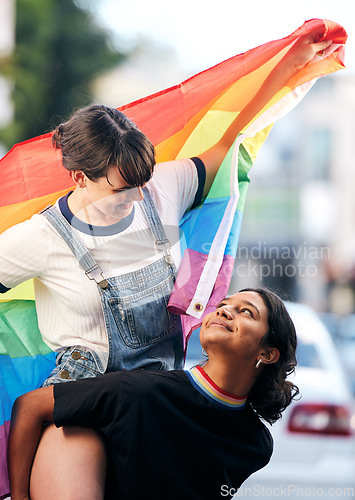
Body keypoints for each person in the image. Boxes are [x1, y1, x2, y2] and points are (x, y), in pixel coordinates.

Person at [0, 28, 332, 386]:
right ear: (81, 177)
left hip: (162, 392)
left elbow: (229, 142)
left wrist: (289, 68)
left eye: (141, 183)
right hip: (84, 398)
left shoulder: (162, 188)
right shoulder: (41, 238)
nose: (139, 198)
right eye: (122, 189)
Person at [8, 288, 299, 500]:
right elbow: (29, 406)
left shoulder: (256, 445)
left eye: (245, 311)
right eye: (223, 304)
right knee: (66, 431)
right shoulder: (138, 391)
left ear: (268, 353)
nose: (223, 310)